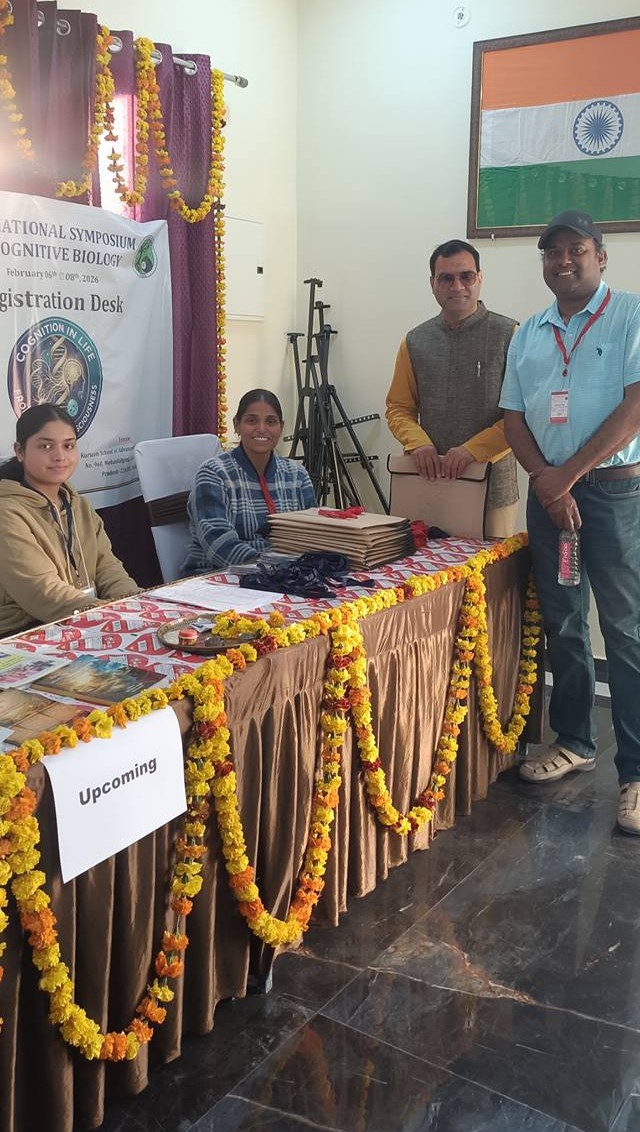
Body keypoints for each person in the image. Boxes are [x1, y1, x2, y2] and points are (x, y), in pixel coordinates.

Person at [500, 209, 640, 834]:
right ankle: (576, 741)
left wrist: (569, 475)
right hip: (551, 501)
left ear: (600, 257)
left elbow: (635, 408)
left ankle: (636, 773)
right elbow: (513, 418)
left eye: (576, 250)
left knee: (626, 630)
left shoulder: (630, 314)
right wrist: (547, 482)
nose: (563, 261)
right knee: (563, 622)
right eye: (552, 252)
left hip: (613, 497)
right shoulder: (529, 332)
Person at [386, 238, 519, 537]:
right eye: (446, 278)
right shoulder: (415, 341)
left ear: (480, 278)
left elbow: (521, 415)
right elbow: (398, 408)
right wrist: (418, 444)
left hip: (492, 488)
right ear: (432, 284)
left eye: (466, 276)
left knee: (490, 567)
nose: (457, 286)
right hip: (427, 483)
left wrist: (472, 451)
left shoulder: (509, 335)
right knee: (424, 566)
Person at [0, 403, 139, 638]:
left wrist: (137, 605)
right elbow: (42, 591)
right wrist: (109, 615)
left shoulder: (79, 505)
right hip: (24, 633)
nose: (60, 456)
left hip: (82, 621)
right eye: (46, 446)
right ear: (20, 451)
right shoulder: (6, 512)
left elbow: (108, 568)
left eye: (68, 445)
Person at [181, 388, 316, 573]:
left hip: (287, 574)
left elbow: (313, 534)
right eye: (251, 421)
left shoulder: (297, 475)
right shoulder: (214, 473)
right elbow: (219, 544)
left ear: (281, 427)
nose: (261, 429)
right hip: (217, 576)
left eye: (271, 421)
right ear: (236, 425)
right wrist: (272, 568)